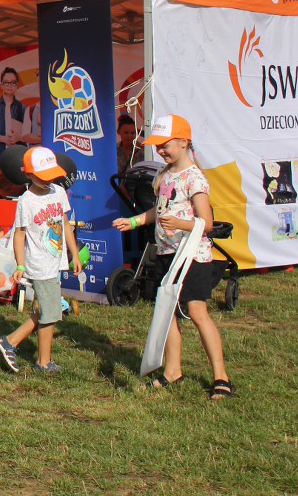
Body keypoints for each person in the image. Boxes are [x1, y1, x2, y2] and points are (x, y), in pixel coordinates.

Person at [112, 115, 233, 398]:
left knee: (197, 312)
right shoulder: (162, 175)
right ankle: (172, 371)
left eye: (166, 145)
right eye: (159, 145)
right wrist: (135, 222)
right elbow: (160, 210)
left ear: (184, 142)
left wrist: (181, 225)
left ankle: (221, 377)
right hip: (166, 254)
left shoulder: (194, 178)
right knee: (168, 315)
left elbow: (207, 222)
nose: (162, 150)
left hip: (191, 256)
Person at [0, 146, 83, 374]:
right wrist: (21, 264)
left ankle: (10, 341)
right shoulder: (27, 200)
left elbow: (64, 224)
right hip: (39, 265)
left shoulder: (58, 192)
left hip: (55, 262)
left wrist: (73, 253)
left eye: (51, 175)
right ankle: (43, 362)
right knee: (51, 313)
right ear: (28, 175)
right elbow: (20, 233)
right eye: (42, 177)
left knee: (47, 309)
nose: (47, 181)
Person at [0, 66, 26, 163]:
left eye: (13, 82)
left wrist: (19, 137)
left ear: (17, 85)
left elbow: (27, 132)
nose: (10, 86)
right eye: (6, 82)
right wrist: (3, 139)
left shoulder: (22, 108)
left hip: (18, 154)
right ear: (1, 85)